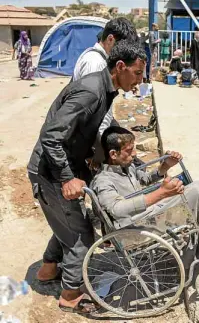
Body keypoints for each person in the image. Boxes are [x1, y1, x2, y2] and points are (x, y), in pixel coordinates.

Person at [28, 41, 147, 314]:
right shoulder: (91, 92)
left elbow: (90, 128)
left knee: (67, 223)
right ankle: (70, 295)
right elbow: (51, 137)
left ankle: (48, 270)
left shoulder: (106, 89)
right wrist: (68, 178)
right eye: (138, 73)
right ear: (120, 67)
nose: (140, 81)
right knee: (81, 233)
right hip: (51, 170)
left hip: (68, 163)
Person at [91, 127, 199, 267]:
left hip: (147, 215)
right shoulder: (103, 181)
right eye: (129, 150)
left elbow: (146, 179)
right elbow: (117, 209)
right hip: (135, 227)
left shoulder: (126, 167)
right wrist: (162, 193)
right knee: (197, 189)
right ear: (113, 154)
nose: (135, 154)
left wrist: (165, 166)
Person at [72, 17, 137, 149]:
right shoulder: (95, 63)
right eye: (122, 47)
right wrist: (100, 147)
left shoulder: (99, 59)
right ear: (110, 39)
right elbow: (91, 112)